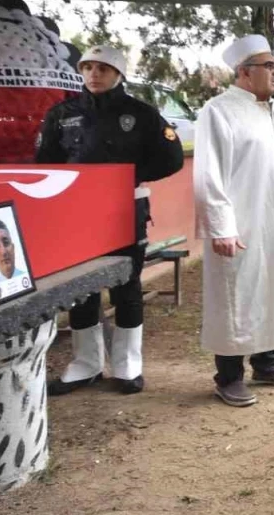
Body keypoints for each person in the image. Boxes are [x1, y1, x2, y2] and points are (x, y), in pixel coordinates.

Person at [39, 44, 185, 395]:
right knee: (81, 289)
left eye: (102, 68)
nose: (94, 74)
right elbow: (46, 162)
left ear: (118, 74)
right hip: (77, 214)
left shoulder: (142, 113)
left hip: (124, 211)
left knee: (126, 284)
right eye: (88, 67)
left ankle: (127, 365)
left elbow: (172, 158)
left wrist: (130, 176)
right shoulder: (61, 114)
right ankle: (85, 364)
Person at [195, 34, 274, 408]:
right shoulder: (219, 110)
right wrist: (221, 227)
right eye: (269, 66)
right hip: (241, 225)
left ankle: (268, 365)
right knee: (236, 295)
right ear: (245, 72)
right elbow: (208, 175)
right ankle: (229, 377)